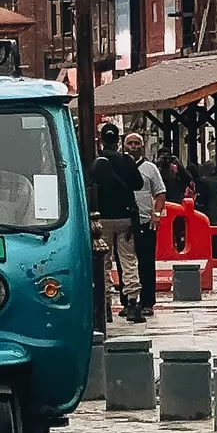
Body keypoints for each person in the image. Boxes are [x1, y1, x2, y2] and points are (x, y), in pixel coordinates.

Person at [89, 124, 143, 321]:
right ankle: (133, 302)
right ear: (118, 140)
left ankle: (105, 304)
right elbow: (139, 184)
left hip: (101, 218)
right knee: (128, 260)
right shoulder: (126, 161)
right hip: (125, 217)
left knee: (104, 262)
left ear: (101, 140)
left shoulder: (96, 161)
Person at [122, 131, 166, 317]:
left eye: (136, 143)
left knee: (146, 263)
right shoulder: (119, 166)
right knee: (125, 263)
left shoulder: (150, 168)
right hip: (124, 222)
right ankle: (128, 301)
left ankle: (148, 301)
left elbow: (160, 193)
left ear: (142, 146)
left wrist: (156, 214)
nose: (133, 147)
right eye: (129, 143)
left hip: (145, 221)